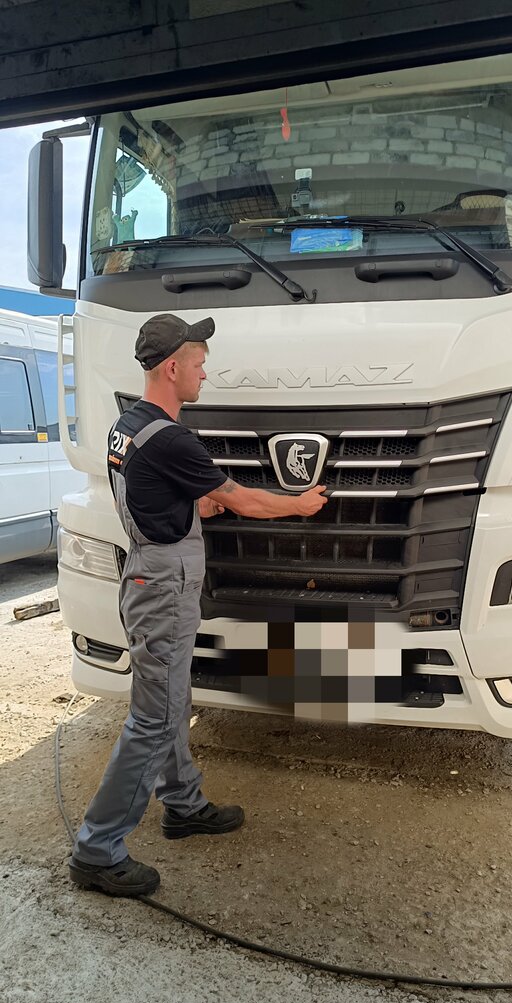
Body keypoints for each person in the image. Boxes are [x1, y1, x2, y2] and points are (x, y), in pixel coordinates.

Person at [69, 313, 327, 897]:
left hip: (149, 572)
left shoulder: (127, 427)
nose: (205, 374)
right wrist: (298, 505)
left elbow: (147, 494)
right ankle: (97, 849)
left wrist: (190, 506)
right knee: (154, 718)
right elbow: (246, 501)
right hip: (163, 585)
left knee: (172, 699)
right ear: (172, 368)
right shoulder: (172, 437)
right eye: (199, 364)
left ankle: (183, 804)